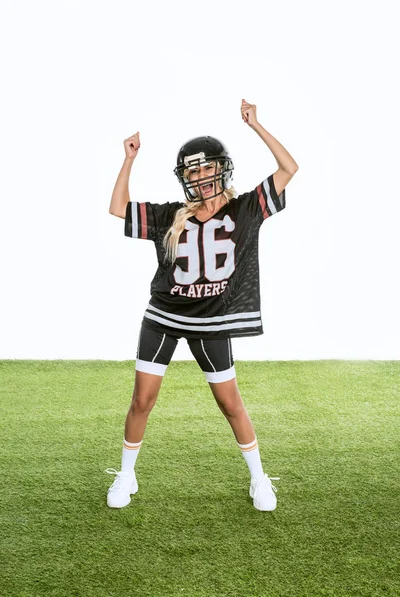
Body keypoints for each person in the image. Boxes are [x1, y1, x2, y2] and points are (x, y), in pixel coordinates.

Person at [106, 99, 299, 511]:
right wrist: (128, 160)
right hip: (163, 317)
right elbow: (117, 208)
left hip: (211, 322)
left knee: (230, 403)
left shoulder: (244, 209)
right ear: (184, 178)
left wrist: (256, 126)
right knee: (142, 400)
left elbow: (289, 169)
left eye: (206, 167)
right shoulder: (172, 215)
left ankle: (259, 478)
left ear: (221, 168)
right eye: (192, 170)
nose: (200, 176)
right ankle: (126, 474)